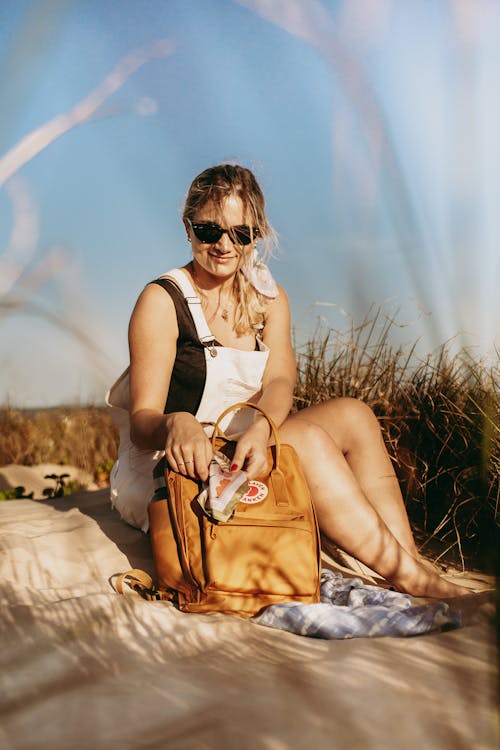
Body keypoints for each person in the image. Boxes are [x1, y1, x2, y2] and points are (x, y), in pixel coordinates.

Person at [108, 163, 468, 599]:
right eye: (209, 231)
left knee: (354, 414)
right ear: (188, 227)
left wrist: (264, 428)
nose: (224, 245)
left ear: (255, 236)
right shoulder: (162, 300)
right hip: (170, 467)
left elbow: (280, 380)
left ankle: (407, 562)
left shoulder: (268, 298)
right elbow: (144, 421)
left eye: (240, 234)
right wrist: (174, 421)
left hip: (239, 443)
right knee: (308, 440)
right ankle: (413, 580)